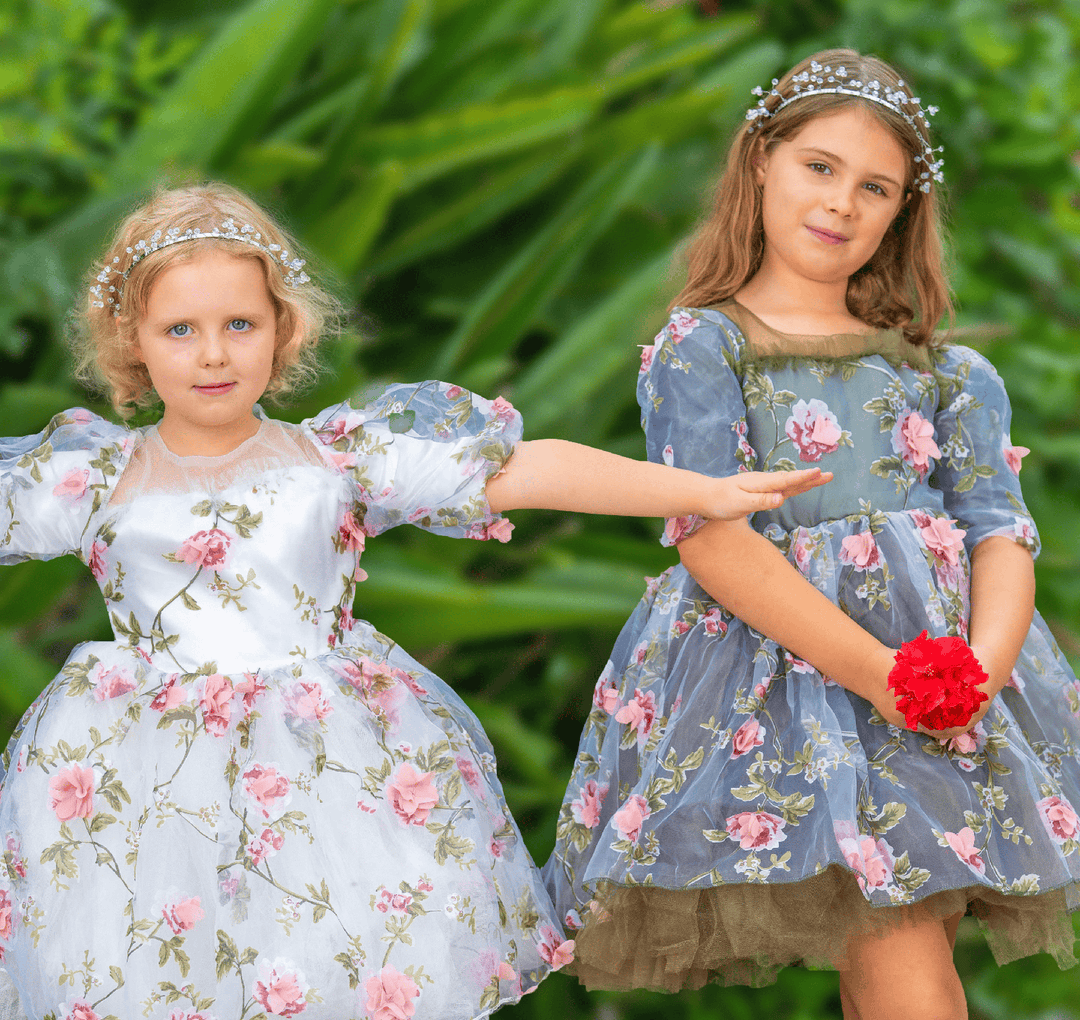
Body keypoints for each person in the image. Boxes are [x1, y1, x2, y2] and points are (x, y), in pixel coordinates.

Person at [0, 183, 827, 1020]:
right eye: (180, 330)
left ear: (283, 329)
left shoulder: (335, 462)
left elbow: (524, 470)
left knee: (331, 972)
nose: (213, 354)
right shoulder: (93, 479)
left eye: (238, 324)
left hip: (326, 778)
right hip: (149, 787)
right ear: (132, 343)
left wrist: (702, 489)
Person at [541, 48, 1080, 1020]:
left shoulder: (950, 375)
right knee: (896, 940)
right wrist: (881, 674)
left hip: (946, 675)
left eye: (876, 187)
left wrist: (975, 674)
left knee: (901, 952)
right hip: (793, 677)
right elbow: (712, 535)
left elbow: (1001, 529)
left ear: (903, 210)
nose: (843, 202)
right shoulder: (705, 345)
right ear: (761, 164)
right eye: (820, 167)